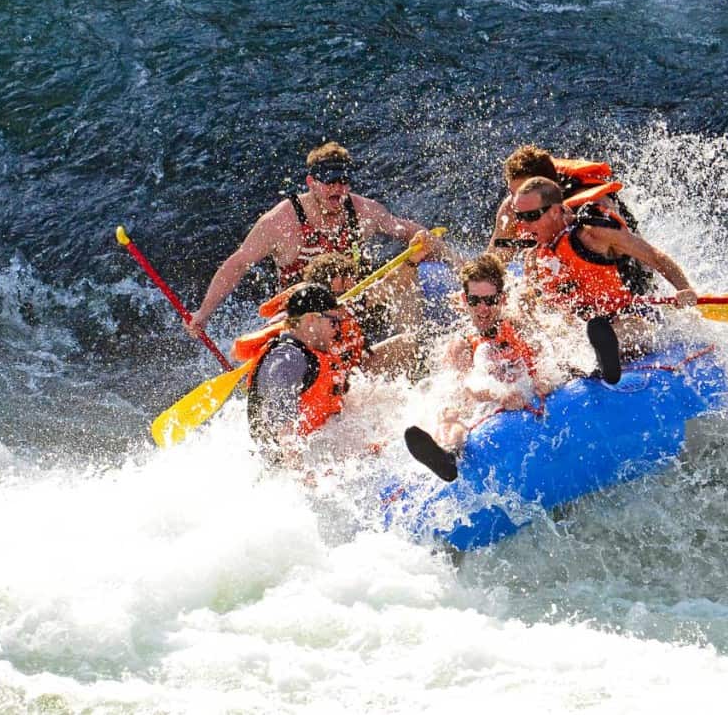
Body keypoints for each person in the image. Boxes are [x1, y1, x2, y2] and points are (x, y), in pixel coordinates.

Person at [187, 141, 443, 337]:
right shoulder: (281, 221)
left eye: (343, 182)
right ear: (311, 182)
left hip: (354, 304)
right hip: (303, 317)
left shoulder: (365, 210)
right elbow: (239, 263)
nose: (337, 189)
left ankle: (413, 354)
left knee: (404, 287)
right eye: (329, 182)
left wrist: (461, 263)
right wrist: (204, 313)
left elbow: (408, 231)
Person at [512, 176, 698, 384]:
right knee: (557, 333)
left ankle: (601, 356)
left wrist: (684, 288)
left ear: (555, 211)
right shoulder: (535, 256)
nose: (523, 225)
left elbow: (654, 256)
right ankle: (582, 358)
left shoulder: (593, 233)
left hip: (632, 314)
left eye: (531, 216)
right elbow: (538, 308)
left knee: (622, 329)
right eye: (519, 216)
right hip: (584, 326)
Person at [404, 254, 548, 482]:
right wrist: (499, 396)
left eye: (489, 301)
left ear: (502, 299)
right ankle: (447, 454)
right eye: (475, 301)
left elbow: (546, 369)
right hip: (486, 407)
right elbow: (464, 391)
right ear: (464, 299)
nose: (482, 309)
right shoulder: (461, 344)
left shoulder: (522, 328)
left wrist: (532, 389)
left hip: (526, 401)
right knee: (449, 412)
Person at [245, 282, 415, 466]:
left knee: (388, 404)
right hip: (294, 460)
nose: (338, 329)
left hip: (320, 439)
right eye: (333, 322)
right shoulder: (287, 359)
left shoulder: (311, 352)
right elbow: (281, 428)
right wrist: (303, 477)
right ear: (310, 320)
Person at [488, 145, 656, 295]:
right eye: (513, 193)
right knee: (530, 264)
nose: (517, 202)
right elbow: (496, 259)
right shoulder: (512, 206)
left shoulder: (594, 205)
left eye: (525, 191)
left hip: (619, 270)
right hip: (566, 274)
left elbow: (641, 253)